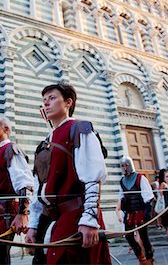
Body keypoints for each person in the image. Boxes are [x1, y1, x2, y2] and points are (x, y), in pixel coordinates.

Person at [25, 82, 111, 264]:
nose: (46, 103)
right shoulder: (44, 143)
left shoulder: (80, 129)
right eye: (44, 100)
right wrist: (33, 225)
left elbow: (93, 178)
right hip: (50, 219)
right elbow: (39, 189)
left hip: (77, 216)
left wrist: (89, 219)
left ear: (68, 103)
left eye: (52, 98)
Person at [0, 116, 34, 265]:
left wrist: (22, 213)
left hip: (5, 212)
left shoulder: (10, 149)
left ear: (6, 130)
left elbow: (25, 183)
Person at [117, 156, 155, 265]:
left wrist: (147, 212)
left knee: (144, 236)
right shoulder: (122, 181)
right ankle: (141, 257)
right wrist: (122, 206)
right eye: (122, 166)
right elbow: (121, 196)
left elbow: (148, 196)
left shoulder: (140, 178)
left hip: (140, 211)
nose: (124, 168)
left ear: (130, 165)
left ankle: (149, 257)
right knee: (128, 236)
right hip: (129, 213)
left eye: (126, 165)